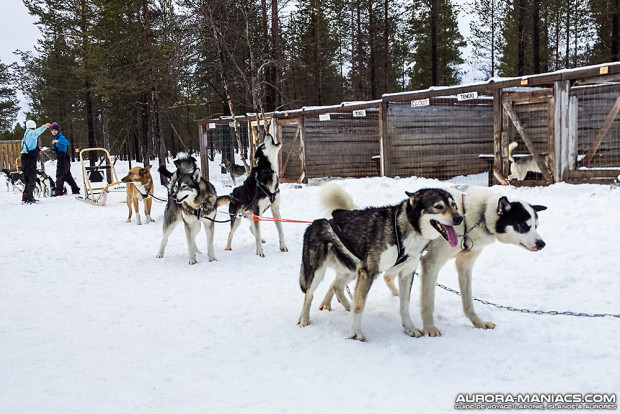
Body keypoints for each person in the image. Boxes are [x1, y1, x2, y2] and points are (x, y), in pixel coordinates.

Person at [21, 119, 51, 204]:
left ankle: (27, 196)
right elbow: (36, 132)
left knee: (28, 178)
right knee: (31, 178)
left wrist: (38, 149)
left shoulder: (26, 135)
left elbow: (29, 146)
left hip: (26, 158)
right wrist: (44, 126)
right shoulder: (31, 133)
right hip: (29, 159)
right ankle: (28, 197)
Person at [50, 122, 80, 196]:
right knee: (67, 175)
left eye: (55, 130)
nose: (54, 131)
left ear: (58, 131)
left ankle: (59, 191)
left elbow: (67, 142)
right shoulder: (56, 138)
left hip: (63, 158)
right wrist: (49, 149)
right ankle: (75, 189)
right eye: (52, 130)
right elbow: (59, 149)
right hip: (62, 158)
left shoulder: (60, 137)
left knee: (59, 175)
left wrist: (58, 141)